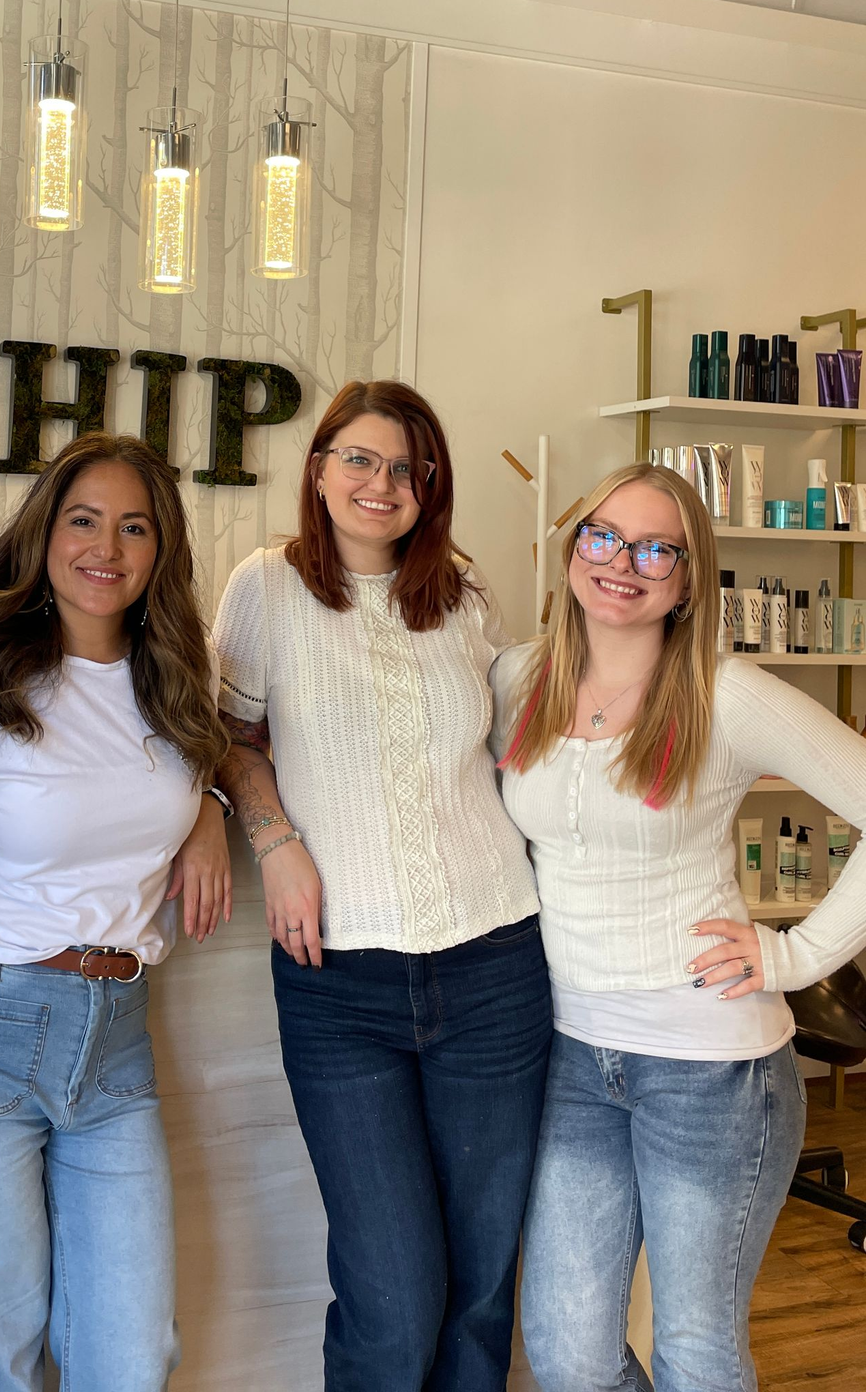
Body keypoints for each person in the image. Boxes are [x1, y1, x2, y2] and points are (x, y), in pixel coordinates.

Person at [492, 462, 866, 1392]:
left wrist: (798, 954)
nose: (625, 562)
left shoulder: (725, 694)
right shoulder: (518, 677)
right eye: (604, 535)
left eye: (659, 547)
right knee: (570, 1353)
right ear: (572, 545)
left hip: (712, 1072)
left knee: (695, 1352)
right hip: (572, 1054)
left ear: (690, 577)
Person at [211, 379, 550, 1392]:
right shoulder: (264, 586)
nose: (381, 481)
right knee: (392, 1292)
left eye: (405, 466)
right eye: (358, 457)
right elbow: (222, 738)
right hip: (339, 982)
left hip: (493, 964)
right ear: (316, 470)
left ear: (428, 486)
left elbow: (507, 746)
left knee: (480, 1286)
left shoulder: (461, 591)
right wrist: (273, 840)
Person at [0, 432, 231, 1392]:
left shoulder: (175, 676)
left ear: (161, 549)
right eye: (84, 521)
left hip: (118, 1034)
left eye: (135, 528)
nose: (109, 549)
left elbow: (198, 765)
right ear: (44, 534)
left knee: (132, 1350)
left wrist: (210, 809)